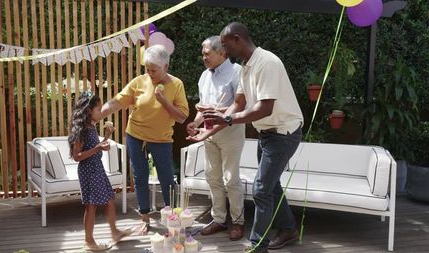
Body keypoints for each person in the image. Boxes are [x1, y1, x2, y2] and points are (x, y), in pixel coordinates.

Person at [187, 22, 303, 252]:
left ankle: (257, 244)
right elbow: (238, 103)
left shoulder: (267, 62)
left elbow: (264, 108)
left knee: (261, 188)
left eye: (227, 45)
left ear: (238, 39)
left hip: (283, 132)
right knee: (272, 185)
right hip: (267, 134)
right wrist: (208, 131)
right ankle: (289, 229)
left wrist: (228, 120)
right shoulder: (246, 65)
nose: (225, 50)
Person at [101, 45, 189, 235]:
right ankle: (145, 219)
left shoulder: (176, 85)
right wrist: (98, 114)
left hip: (161, 139)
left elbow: (182, 117)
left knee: (167, 179)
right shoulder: (139, 82)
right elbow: (117, 101)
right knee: (140, 177)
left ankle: (172, 220)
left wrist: (164, 100)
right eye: (147, 69)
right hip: (135, 135)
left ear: (166, 66)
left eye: (153, 70)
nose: (149, 73)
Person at [186, 36, 246, 241]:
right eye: (202, 53)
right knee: (212, 177)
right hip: (208, 135)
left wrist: (213, 114)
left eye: (207, 53)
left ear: (222, 53)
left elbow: (240, 106)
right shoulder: (204, 76)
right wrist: (195, 123)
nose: (203, 57)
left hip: (230, 133)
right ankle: (219, 219)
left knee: (231, 179)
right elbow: (203, 107)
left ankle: (237, 222)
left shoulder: (237, 72)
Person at [68, 92, 131, 251]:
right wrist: (98, 147)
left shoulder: (91, 126)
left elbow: (94, 149)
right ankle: (89, 241)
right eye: (98, 109)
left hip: (97, 169)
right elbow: (77, 156)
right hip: (89, 171)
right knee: (91, 206)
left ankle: (114, 232)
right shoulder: (81, 130)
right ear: (89, 110)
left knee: (109, 199)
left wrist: (106, 137)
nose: (101, 112)